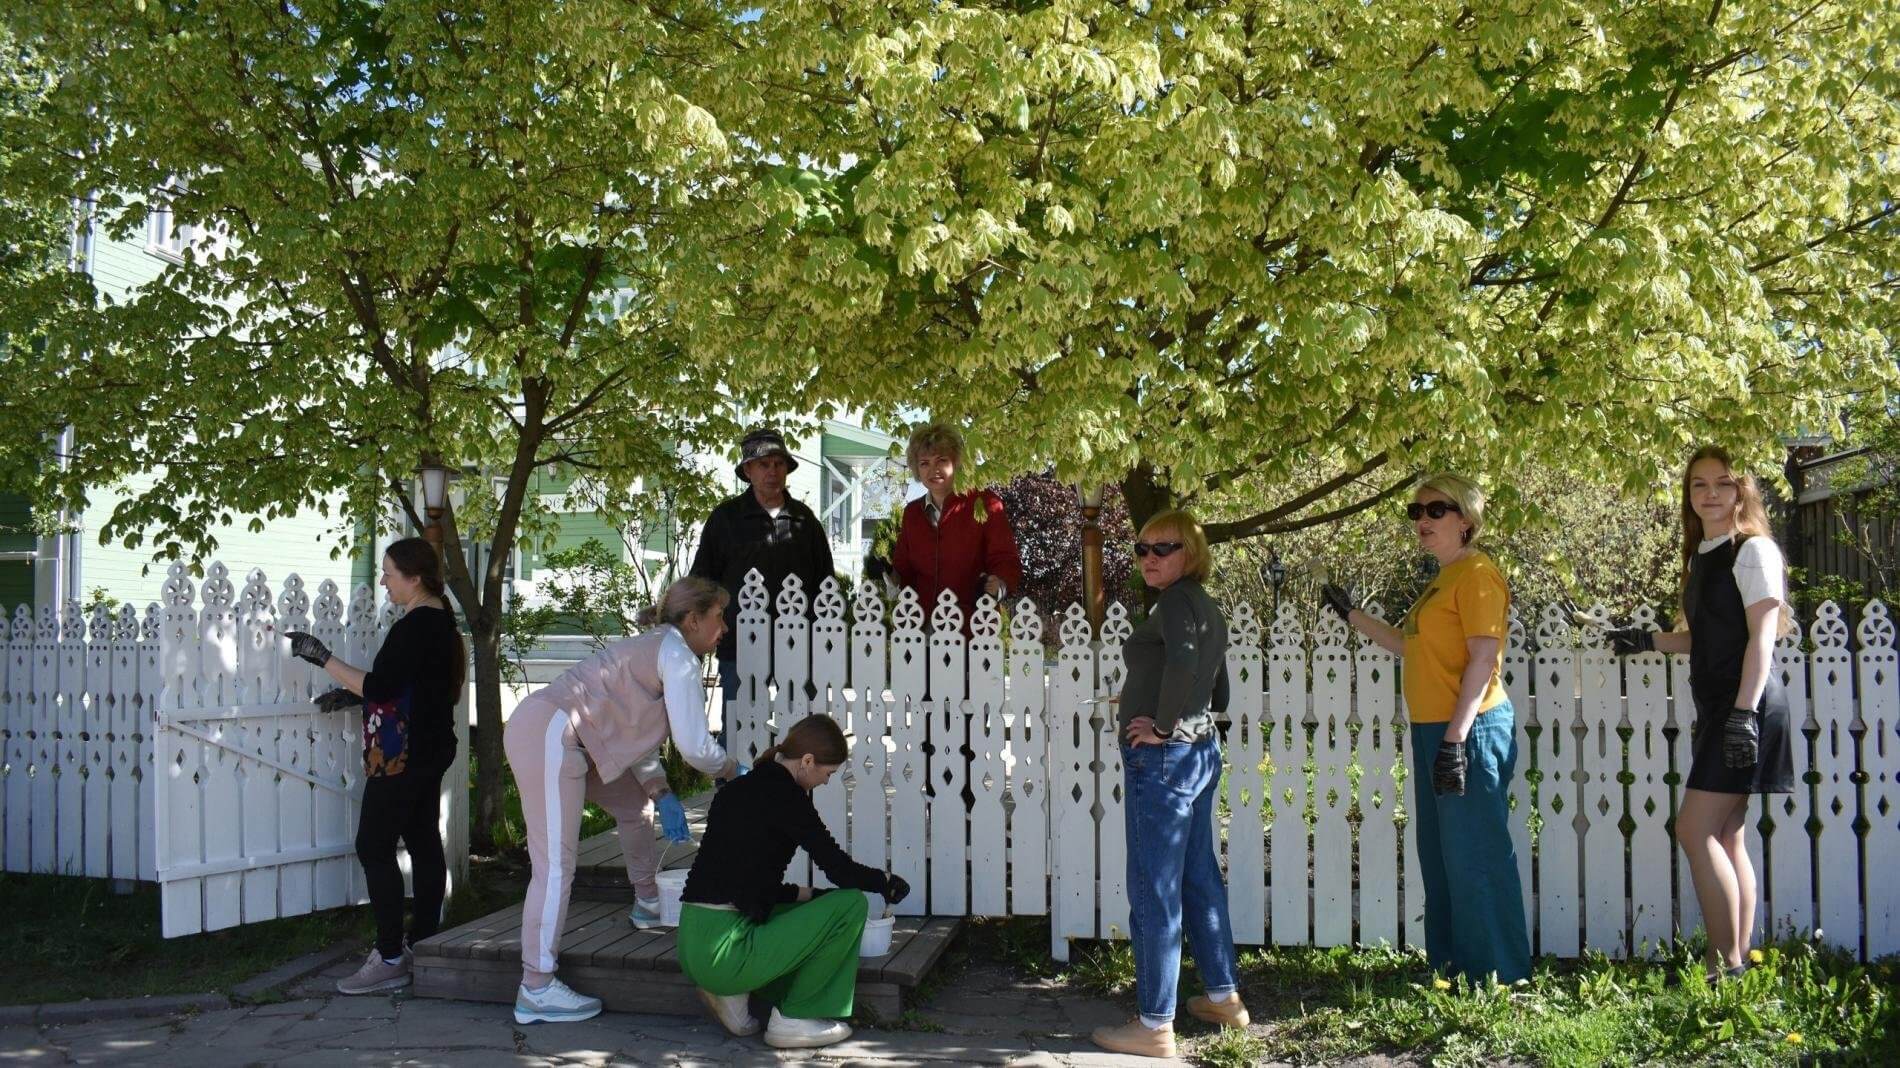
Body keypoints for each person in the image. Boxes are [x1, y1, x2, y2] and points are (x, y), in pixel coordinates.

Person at [502, 576, 746, 1024]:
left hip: (566, 737)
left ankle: (648, 902)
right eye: (719, 617)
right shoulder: (677, 656)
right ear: (693, 620)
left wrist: (662, 791)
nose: (724, 628)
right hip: (552, 735)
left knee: (637, 806)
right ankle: (536, 985)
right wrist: (731, 769)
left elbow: (632, 737)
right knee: (555, 866)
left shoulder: (662, 647)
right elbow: (694, 746)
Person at [1320, 473, 1531, 986]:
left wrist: (1456, 740)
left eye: (1435, 510)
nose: (1422, 521)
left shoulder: (1478, 574)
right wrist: (1351, 614)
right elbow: (1410, 647)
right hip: (1436, 728)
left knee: (1475, 853)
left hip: (1470, 729)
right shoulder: (1443, 579)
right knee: (1440, 856)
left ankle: (1499, 976)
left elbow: (1484, 657)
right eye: (1415, 512)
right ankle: (1453, 969)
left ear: (1466, 519)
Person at [1606, 446, 1794, 983]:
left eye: (1722, 483)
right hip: (1723, 706)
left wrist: (1741, 714)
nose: (1710, 494)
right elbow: (1706, 640)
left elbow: (1761, 641)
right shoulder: (1706, 553)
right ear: (1689, 496)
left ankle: (1724, 964)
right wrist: (1647, 639)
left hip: (1747, 705)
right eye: (1698, 485)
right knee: (1728, 836)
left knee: (1693, 829)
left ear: (1742, 491)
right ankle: (1736, 964)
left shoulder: (1753, 550)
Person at [1091, 510, 1245, 1060]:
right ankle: (1224, 996)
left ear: (1192, 552)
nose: (1150, 557)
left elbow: (1181, 660)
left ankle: (1155, 1025)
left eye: (1165, 547)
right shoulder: (1205, 606)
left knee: (1154, 888)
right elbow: (1216, 688)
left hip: (1166, 762)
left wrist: (1159, 724)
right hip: (1200, 753)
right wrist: (1158, 699)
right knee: (1199, 876)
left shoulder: (1178, 601)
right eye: (1142, 548)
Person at [284, 537, 464, 996]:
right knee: (423, 839)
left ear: (414, 577)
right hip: (430, 746)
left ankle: (388, 957)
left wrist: (322, 657)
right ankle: (424, 941)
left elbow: (384, 686)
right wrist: (353, 694)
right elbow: (415, 687)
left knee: (373, 845)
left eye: (388, 573)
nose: (382, 581)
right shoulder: (440, 623)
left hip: (402, 753)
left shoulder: (416, 626)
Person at [678, 713, 909, 1049]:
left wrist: (815, 897)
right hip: (726, 951)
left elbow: (754, 889)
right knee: (850, 906)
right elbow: (840, 870)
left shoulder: (737, 789)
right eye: (827, 774)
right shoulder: (787, 797)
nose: (827, 782)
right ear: (808, 761)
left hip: (694, 943)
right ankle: (795, 1019)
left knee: (822, 904)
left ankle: (731, 993)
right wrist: (883, 881)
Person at [689, 428, 835, 726]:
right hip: (740, 644)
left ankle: (792, 776)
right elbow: (703, 580)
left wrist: (825, 640)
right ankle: (739, 776)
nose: (773, 471)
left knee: (800, 732)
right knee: (740, 732)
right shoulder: (725, 519)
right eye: (764, 464)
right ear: (748, 470)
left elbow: (826, 585)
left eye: (779, 464)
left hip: (798, 644)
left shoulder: (805, 522)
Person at [890, 422, 1023, 626]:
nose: (933, 470)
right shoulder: (912, 513)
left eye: (941, 460)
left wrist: (1000, 584)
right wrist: (886, 574)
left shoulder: (985, 503)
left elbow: (1006, 560)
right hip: (921, 632)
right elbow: (903, 572)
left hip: (973, 630)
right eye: (924, 463)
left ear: (957, 462)